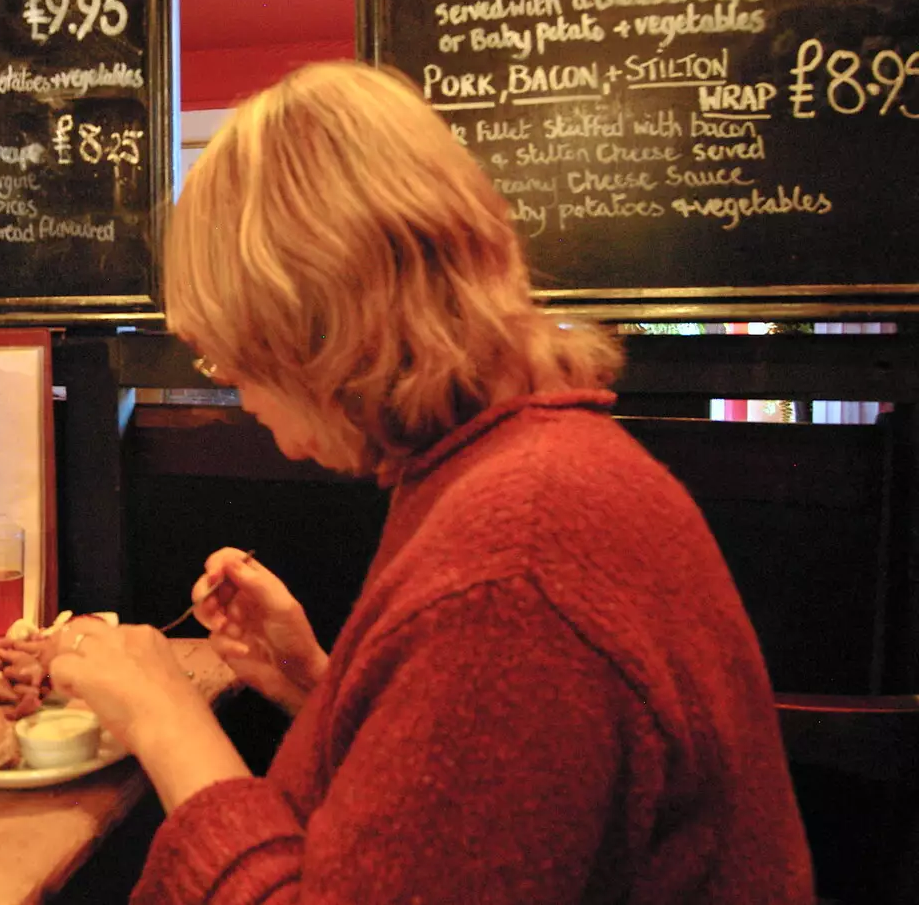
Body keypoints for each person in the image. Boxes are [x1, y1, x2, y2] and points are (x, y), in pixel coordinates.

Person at [46, 62, 814, 904]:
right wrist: (319, 686)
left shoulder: (516, 568)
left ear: (322, 323)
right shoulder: (521, 469)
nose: (230, 380)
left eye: (229, 349)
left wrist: (166, 718)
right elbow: (457, 827)